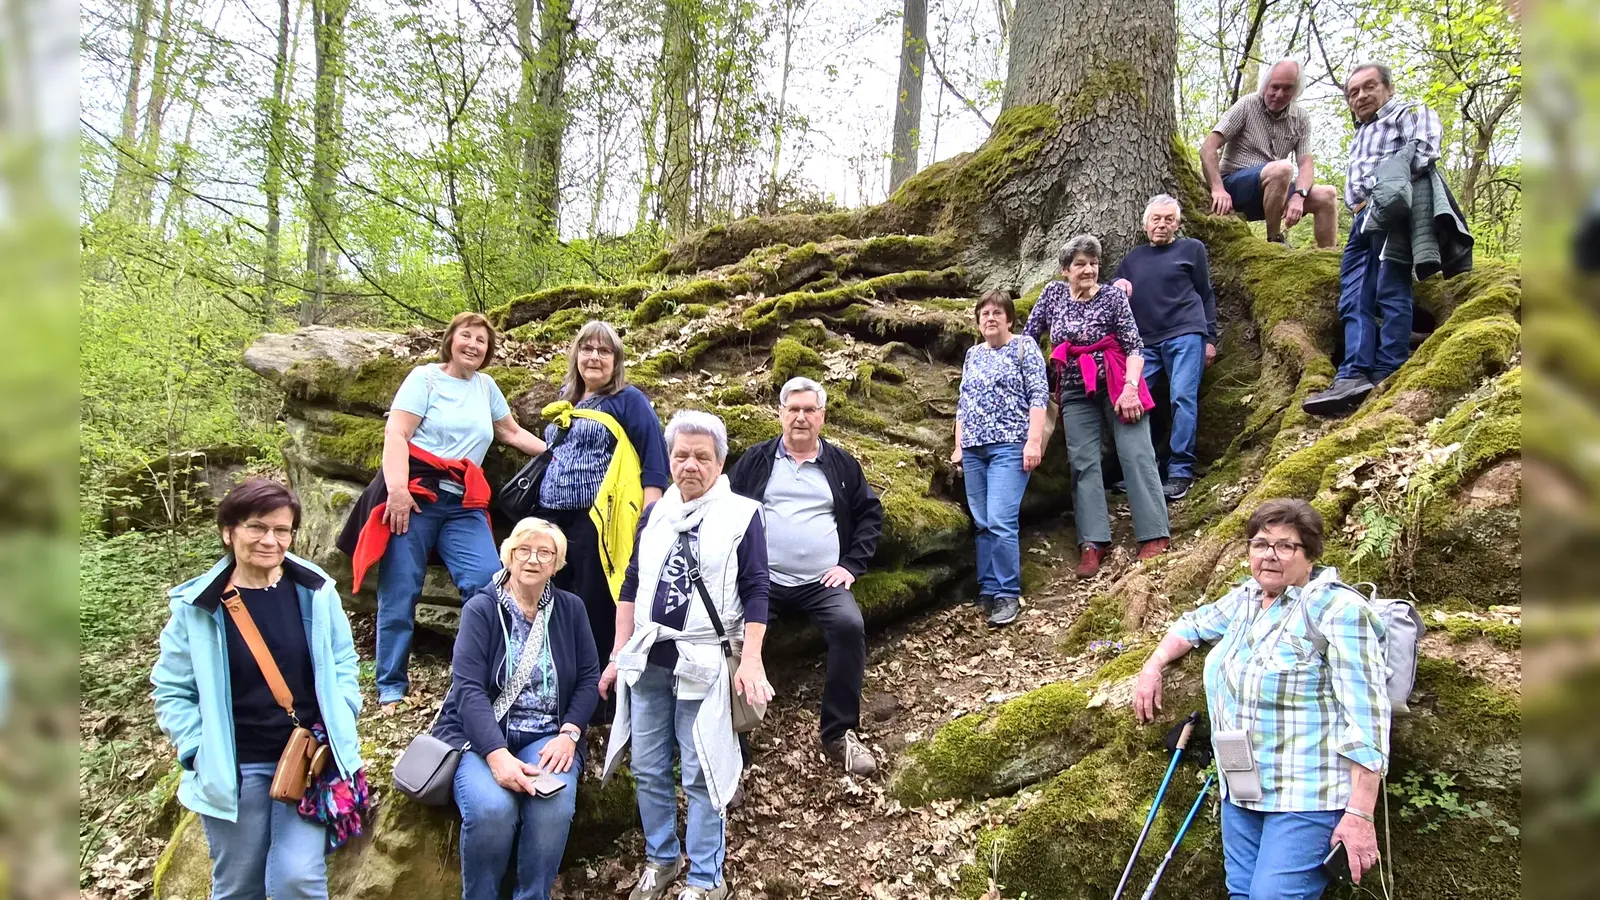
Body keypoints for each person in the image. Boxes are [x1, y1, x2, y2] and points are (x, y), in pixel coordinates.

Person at [1133, 498, 1390, 900]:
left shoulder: (1337, 610)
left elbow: (1368, 718)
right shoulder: (1247, 598)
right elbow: (1192, 625)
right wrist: (1153, 665)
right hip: (1242, 781)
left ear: (1310, 555)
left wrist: (1359, 814)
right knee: (1241, 893)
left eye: (1285, 545)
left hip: (1307, 792)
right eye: (1260, 544)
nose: (1270, 555)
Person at [152, 479, 365, 900]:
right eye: (257, 527)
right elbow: (171, 689)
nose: (270, 540)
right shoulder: (197, 607)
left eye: (282, 530)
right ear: (228, 532)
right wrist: (198, 749)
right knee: (238, 888)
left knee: (297, 880)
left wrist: (344, 710)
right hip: (235, 769)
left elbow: (344, 661)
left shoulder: (316, 591)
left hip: (307, 762)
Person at [601, 411, 776, 900]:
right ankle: (661, 858)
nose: (690, 465)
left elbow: (757, 589)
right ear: (670, 459)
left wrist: (753, 658)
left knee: (702, 769)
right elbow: (632, 583)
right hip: (650, 657)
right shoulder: (656, 512)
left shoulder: (743, 514)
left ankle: (705, 878)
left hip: (704, 658)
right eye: (681, 455)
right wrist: (617, 652)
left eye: (702, 456)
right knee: (649, 765)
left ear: (720, 462)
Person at [337, 311, 548, 712]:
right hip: (416, 496)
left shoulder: (486, 387)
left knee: (488, 583)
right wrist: (397, 491)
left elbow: (511, 433)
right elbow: (396, 433)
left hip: (463, 503)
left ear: (488, 351)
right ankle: (390, 686)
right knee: (401, 590)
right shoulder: (425, 379)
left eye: (481, 341)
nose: (472, 345)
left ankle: (478, 676)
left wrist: (557, 452)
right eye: (466, 336)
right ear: (451, 340)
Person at [433, 517, 600, 900]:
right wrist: (495, 754)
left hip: (547, 735)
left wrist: (570, 732)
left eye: (545, 552)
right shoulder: (482, 609)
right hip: (480, 736)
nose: (533, 559)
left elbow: (590, 677)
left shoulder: (570, 609)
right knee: (492, 810)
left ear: (557, 563)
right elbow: (468, 688)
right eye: (524, 550)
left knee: (552, 808)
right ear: (508, 556)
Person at [729, 376, 886, 772]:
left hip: (822, 582)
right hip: (761, 579)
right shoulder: (757, 459)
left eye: (809, 410)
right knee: (732, 635)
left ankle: (838, 734)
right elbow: (724, 508)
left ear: (822, 416)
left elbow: (870, 515)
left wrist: (850, 565)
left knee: (849, 626)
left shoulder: (841, 464)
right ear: (780, 414)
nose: (801, 417)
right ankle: (734, 742)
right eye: (793, 409)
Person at [1023, 235, 1170, 578]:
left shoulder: (1113, 297)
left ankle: (1154, 534)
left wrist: (1131, 389)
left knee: (1136, 453)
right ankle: (1092, 542)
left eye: (1093, 264)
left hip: (1117, 383)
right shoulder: (1051, 295)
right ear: (1064, 270)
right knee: (1083, 462)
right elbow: (1030, 340)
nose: (1088, 270)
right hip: (1073, 389)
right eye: (1080, 264)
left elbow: (1135, 347)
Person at [1302, 63, 1444, 417]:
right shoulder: (1362, 131)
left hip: (1390, 208)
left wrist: (1389, 184)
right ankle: (1353, 373)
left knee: (1390, 289)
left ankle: (1388, 370)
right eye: (1353, 92)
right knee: (1353, 294)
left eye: (1369, 87)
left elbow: (1426, 150)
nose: (1361, 96)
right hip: (1361, 216)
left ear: (1388, 88)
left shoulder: (1408, 112)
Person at [532, 320, 670, 673]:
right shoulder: (567, 399)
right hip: (551, 518)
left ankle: (599, 693)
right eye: (587, 349)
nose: (595, 357)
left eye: (604, 351)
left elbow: (654, 460)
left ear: (616, 360)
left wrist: (648, 519)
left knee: (595, 602)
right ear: (576, 355)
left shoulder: (628, 401)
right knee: (554, 600)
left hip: (598, 522)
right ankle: (558, 680)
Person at [947, 292, 1049, 627]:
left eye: (997, 313)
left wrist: (1033, 442)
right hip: (975, 448)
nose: (990, 318)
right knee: (982, 522)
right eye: (984, 314)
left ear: (1009, 319)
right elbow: (965, 401)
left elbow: (1038, 395)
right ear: (978, 322)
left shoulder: (1024, 347)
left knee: (1001, 518)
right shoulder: (973, 354)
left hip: (1010, 445)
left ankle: (1007, 592)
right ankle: (988, 588)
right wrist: (959, 445)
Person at [1112, 195, 1219, 501]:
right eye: (1156, 219)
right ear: (1145, 224)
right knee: (1131, 399)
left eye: (1168, 219)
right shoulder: (1133, 259)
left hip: (1186, 333)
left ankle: (1180, 471)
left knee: (1182, 398)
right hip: (1144, 342)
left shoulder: (1192, 249)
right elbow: (1114, 288)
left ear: (1177, 224)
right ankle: (1143, 469)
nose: (1162, 224)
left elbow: (1205, 294)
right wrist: (1116, 284)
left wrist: (1210, 338)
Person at [1202, 58, 1339, 248]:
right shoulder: (1247, 105)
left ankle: (1329, 259)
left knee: (1327, 195)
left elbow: (1306, 164)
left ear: (1296, 91)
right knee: (1282, 168)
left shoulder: (1301, 118)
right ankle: (1274, 240)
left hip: (1275, 192)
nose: (1279, 94)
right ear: (1266, 85)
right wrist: (1217, 188)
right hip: (1236, 187)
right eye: (1275, 87)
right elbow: (1208, 147)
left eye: (1287, 88)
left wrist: (1299, 196)